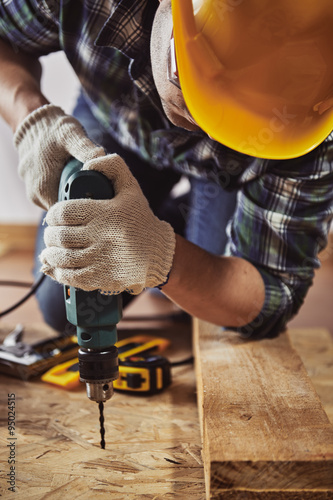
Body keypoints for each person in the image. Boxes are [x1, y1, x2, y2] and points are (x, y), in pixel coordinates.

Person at [0, 0, 332, 339]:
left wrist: (160, 254)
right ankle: (156, 223)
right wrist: (30, 116)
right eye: (198, 93)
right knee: (65, 305)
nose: (204, 124)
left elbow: (270, 293)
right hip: (116, 113)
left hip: (225, 169)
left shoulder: (315, 120)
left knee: (213, 313)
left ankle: (162, 224)